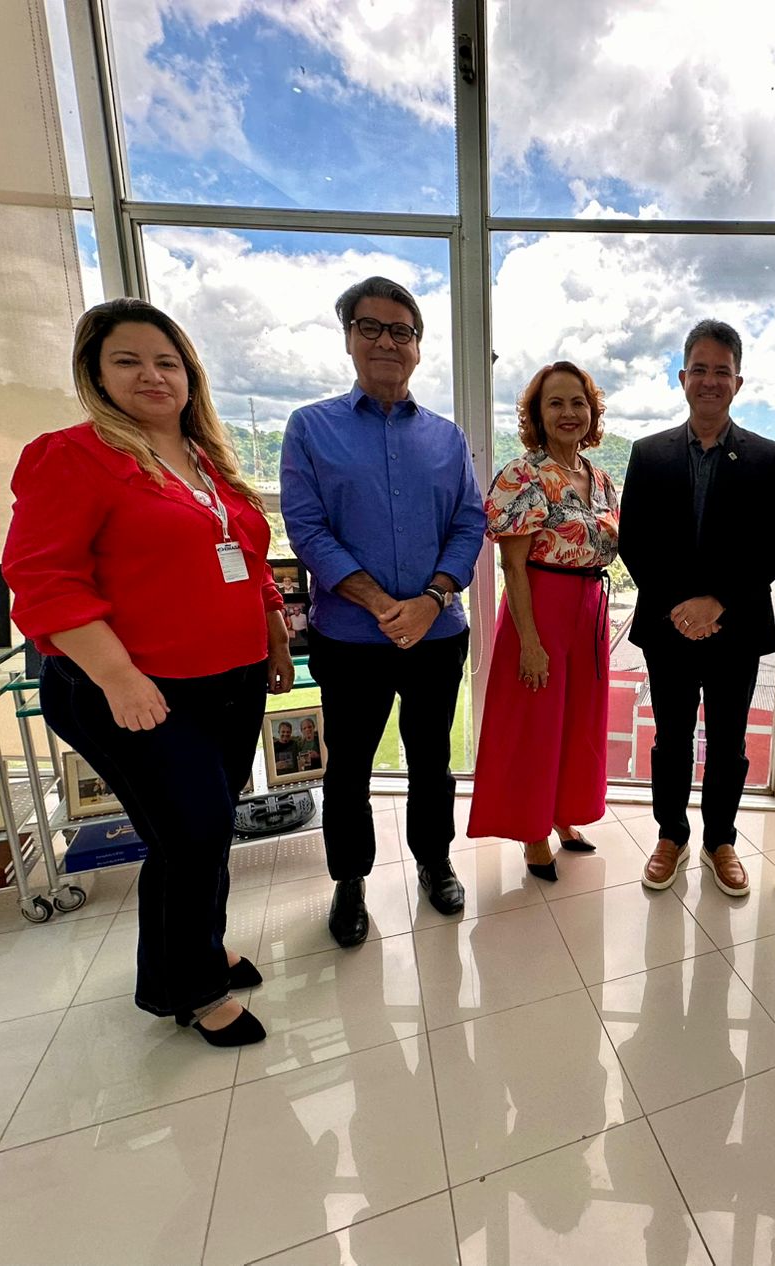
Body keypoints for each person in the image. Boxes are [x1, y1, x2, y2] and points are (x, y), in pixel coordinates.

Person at [4, 297, 295, 1047]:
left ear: (190, 376)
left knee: (202, 831)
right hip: (139, 690)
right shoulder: (72, 456)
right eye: (128, 361)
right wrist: (119, 676)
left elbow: (249, 559)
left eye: (167, 362)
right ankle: (195, 989)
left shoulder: (207, 462)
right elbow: (44, 581)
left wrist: (274, 637)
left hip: (228, 682)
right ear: (95, 374)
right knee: (193, 834)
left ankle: (193, 954)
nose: (152, 376)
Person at [281, 276, 485, 947]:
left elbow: (469, 523)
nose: (387, 342)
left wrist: (430, 601)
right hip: (348, 637)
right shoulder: (311, 427)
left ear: (418, 347)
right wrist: (378, 603)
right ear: (349, 339)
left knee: (431, 759)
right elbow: (307, 528)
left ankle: (434, 860)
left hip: (437, 634)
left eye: (402, 330)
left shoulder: (447, 438)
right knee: (349, 768)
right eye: (370, 327)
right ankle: (350, 879)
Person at [618, 319, 775, 898]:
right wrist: (680, 608)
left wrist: (716, 603)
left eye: (722, 370)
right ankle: (670, 834)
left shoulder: (766, 457)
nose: (710, 380)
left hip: (736, 626)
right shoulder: (648, 454)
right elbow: (634, 541)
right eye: (700, 369)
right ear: (682, 377)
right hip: (667, 626)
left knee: (728, 741)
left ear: (738, 382)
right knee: (670, 738)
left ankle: (721, 840)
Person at [467, 361, 620, 879]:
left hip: (590, 609)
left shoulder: (600, 478)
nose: (568, 412)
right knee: (535, 723)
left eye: (578, 402)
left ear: (592, 411)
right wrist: (530, 641)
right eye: (555, 403)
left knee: (577, 720)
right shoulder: (523, 476)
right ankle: (532, 830)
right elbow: (512, 565)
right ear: (537, 413)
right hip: (540, 608)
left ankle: (562, 813)